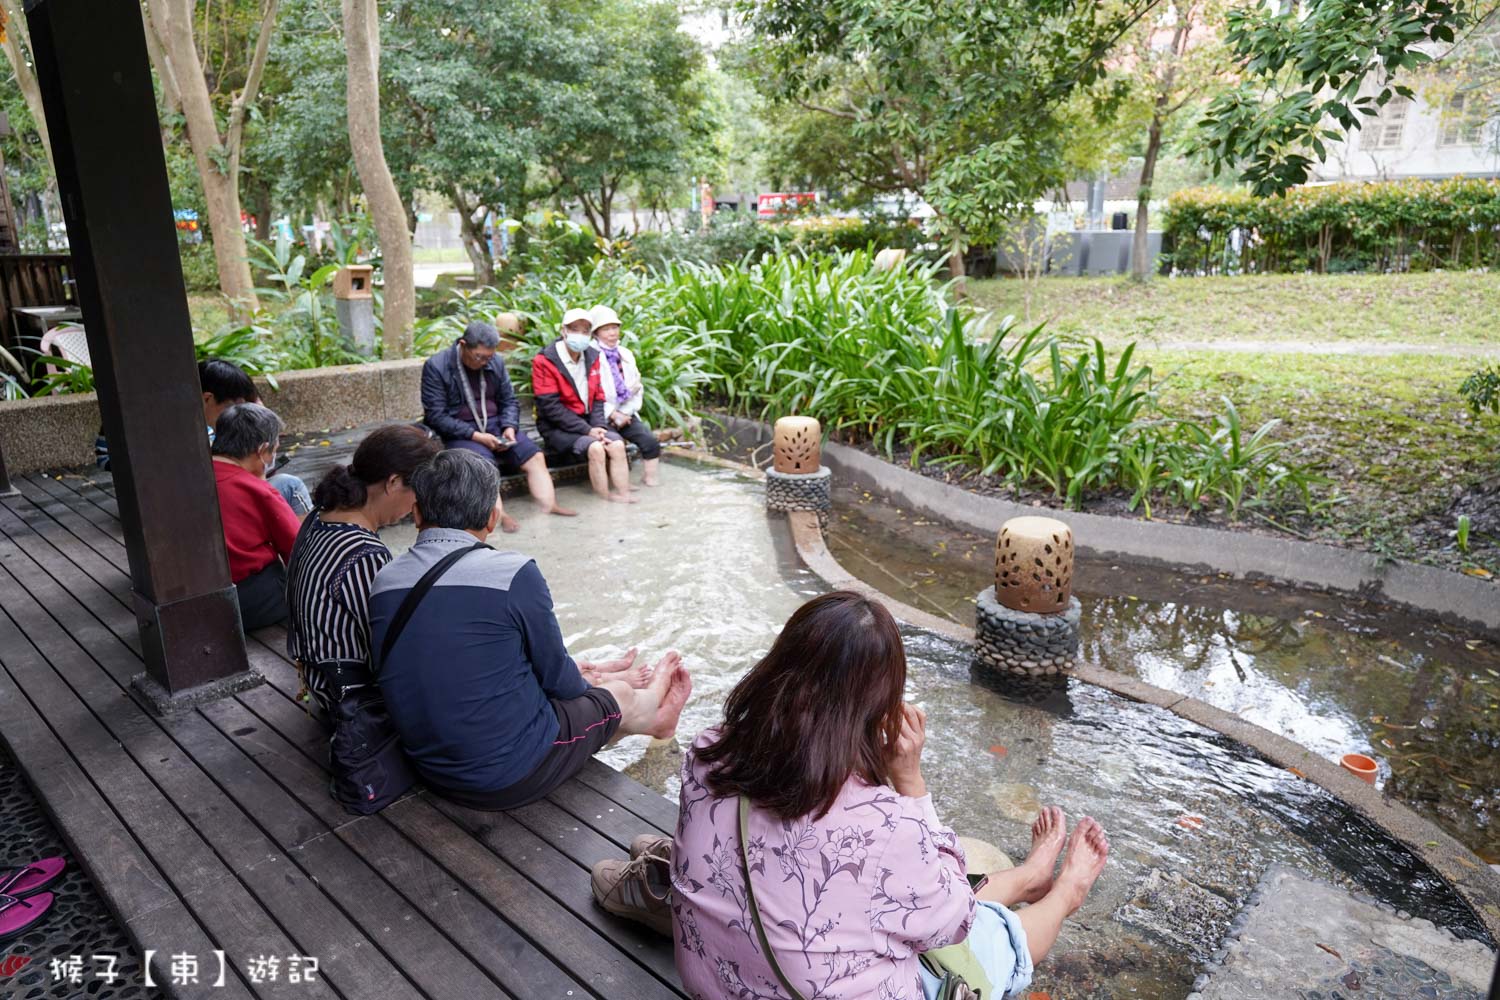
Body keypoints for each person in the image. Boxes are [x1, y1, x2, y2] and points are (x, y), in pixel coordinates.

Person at [662, 591, 1109, 1000]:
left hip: (718, 985)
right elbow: (955, 921)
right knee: (991, 941)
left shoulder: (707, 755)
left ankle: (1028, 877)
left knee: (906, 898)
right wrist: (910, 781)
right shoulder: (881, 826)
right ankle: (1066, 892)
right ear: (878, 709)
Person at [367, 449, 693, 810]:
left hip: (430, 769)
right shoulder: (513, 573)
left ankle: (638, 713)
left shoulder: (384, 580)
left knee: (583, 691)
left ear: (416, 514)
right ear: (492, 518)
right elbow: (563, 685)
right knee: (616, 694)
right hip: (508, 777)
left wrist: (578, 673)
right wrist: (592, 682)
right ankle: (656, 715)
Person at [285, 424, 441, 721]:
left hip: (318, 678)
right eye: (416, 493)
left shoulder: (319, 516)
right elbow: (388, 649)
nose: (415, 507)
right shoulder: (363, 552)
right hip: (348, 700)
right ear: (393, 482)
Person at [96, 358, 312, 516]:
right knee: (290, 485)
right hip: (187, 509)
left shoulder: (172, 408)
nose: (237, 414)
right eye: (233, 407)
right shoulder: (187, 431)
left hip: (157, 508)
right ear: (208, 398)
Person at [420, 320, 575, 528]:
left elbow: (509, 400)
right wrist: (475, 436)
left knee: (535, 456)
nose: (485, 362)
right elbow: (436, 416)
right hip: (462, 431)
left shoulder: (496, 362)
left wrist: (510, 427)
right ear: (464, 345)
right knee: (483, 467)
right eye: (480, 357)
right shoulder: (436, 366)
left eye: (489, 357)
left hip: (496, 426)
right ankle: (500, 516)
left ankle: (549, 506)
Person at [211, 403, 304, 631]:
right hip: (247, 602)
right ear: (262, 450)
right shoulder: (259, 491)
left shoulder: (190, 474)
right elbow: (299, 551)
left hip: (192, 595)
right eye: (273, 451)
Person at [531, 308, 634, 503]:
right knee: (595, 448)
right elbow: (549, 407)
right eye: (575, 329)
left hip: (588, 423)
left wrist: (599, 427)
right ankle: (604, 500)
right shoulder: (545, 360)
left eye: (586, 330)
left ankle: (624, 496)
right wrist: (588, 430)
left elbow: (598, 398)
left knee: (618, 445)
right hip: (557, 427)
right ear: (564, 331)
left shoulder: (592, 355)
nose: (581, 334)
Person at [590, 305, 662, 488]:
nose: (612, 333)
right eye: (606, 329)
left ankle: (649, 478)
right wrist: (612, 414)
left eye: (615, 328)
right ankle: (621, 484)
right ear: (596, 332)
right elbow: (590, 393)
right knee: (615, 444)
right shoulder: (590, 356)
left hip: (626, 412)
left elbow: (636, 386)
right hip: (601, 415)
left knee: (650, 442)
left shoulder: (625, 354)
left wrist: (627, 413)